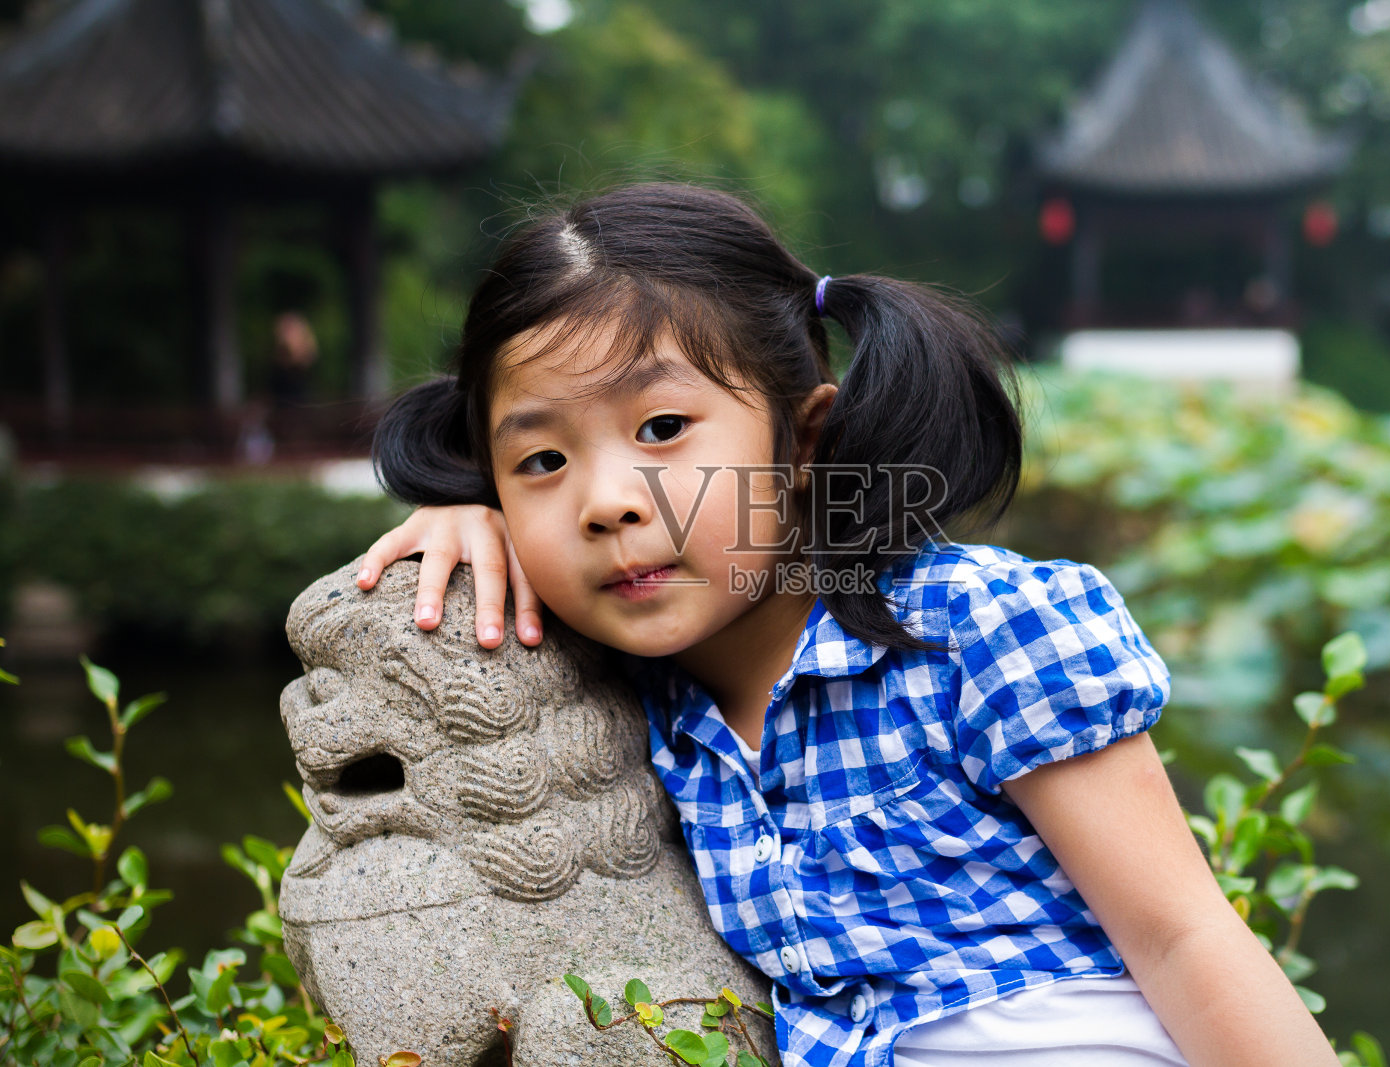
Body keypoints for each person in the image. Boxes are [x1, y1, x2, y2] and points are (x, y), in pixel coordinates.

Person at [355, 183, 1339, 1067]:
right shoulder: (621, 693)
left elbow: (1182, 936)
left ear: (804, 441)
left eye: (661, 428)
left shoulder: (973, 633)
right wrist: (458, 511)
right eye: (540, 462)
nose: (605, 501)